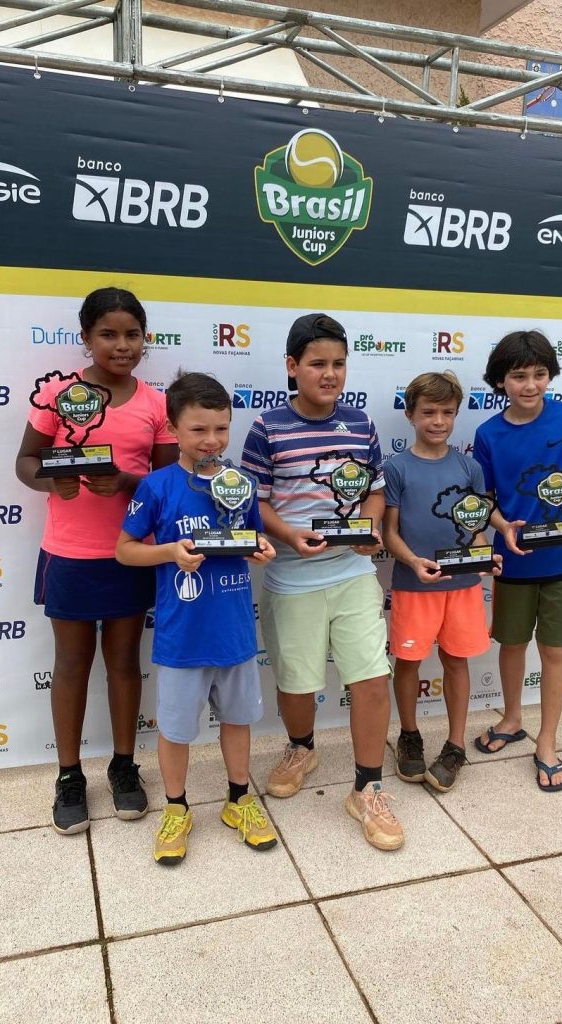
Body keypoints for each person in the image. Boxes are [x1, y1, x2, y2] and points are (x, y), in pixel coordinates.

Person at [16, 286, 178, 835]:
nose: (122, 345)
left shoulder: (157, 404)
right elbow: (25, 460)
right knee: (71, 663)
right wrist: (50, 479)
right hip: (69, 553)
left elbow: (166, 482)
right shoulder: (59, 394)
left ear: (145, 339)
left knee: (125, 661)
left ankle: (124, 766)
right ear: (86, 337)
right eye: (108, 334)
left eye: (132, 334)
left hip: (129, 554)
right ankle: (68, 776)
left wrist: (127, 481)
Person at [241, 313, 403, 851]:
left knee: (371, 679)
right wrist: (289, 534)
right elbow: (255, 501)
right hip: (291, 577)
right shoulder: (267, 427)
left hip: (353, 572)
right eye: (317, 364)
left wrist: (370, 528)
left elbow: (375, 490)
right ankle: (301, 747)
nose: (330, 374)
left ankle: (367, 788)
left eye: (338, 363)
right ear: (292, 366)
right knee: (296, 683)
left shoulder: (361, 424)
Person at [115, 371, 278, 865]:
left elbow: (250, 538)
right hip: (182, 636)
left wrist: (260, 548)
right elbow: (124, 550)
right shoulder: (157, 486)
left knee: (237, 719)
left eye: (221, 429)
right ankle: (176, 808)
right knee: (176, 729)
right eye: (198, 430)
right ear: (172, 428)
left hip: (233, 632)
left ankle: (238, 800)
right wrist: (169, 551)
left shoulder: (242, 483)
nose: (212, 440)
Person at [472, 330, 562, 792]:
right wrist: (501, 526)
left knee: (554, 650)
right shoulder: (487, 434)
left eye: (539, 374)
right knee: (511, 644)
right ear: (500, 380)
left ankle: (547, 740)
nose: (530, 385)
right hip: (515, 560)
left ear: (551, 375)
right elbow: (485, 499)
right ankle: (512, 719)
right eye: (519, 376)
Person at [383, 371, 500, 792]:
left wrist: (485, 558)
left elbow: (476, 527)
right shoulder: (395, 468)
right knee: (408, 663)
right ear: (410, 415)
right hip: (414, 586)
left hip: (462, 586)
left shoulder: (469, 467)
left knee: (456, 661)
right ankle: (409, 735)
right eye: (429, 412)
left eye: (447, 412)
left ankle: (455, 745)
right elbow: (389, 532)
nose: (438, 421)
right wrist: (413, 561)